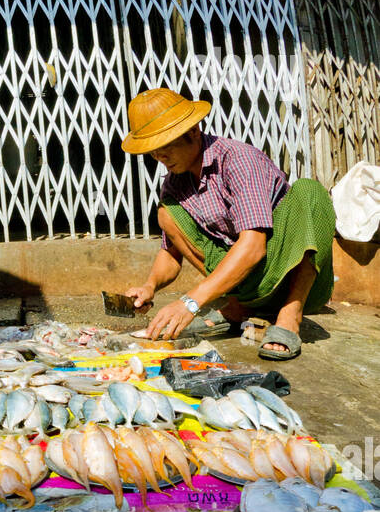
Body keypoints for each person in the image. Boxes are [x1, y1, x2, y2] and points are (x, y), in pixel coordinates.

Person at [121, 89, 336, 360]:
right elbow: (171, 253)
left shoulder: (238, 159)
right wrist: (150, 286)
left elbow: (254, 245)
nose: (161, 157)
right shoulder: (175, 183)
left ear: (195, 131)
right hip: (245, 283)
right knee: (167, 213)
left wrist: (191, 302)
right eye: (154, 153)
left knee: (309, 191)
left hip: (285, 270)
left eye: (168, 145)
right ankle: (237, 307)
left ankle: (290, 313)